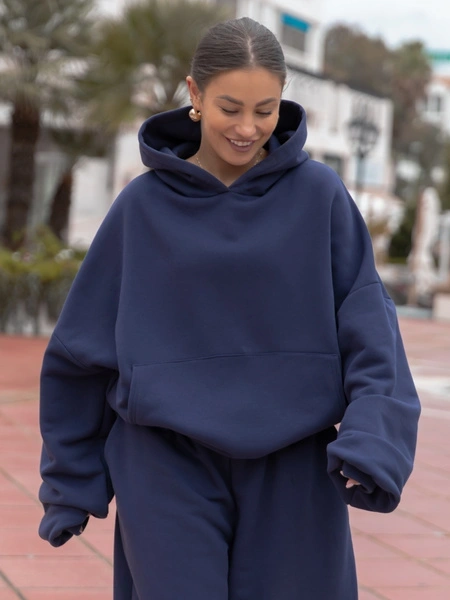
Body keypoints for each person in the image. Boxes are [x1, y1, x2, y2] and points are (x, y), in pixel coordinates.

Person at [38, 17, 421, 600]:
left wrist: (374, 439)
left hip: (294, 465)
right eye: (230, 108)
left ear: (282, 98)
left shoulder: (321, 197)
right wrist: (70, 481)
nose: (247, 128)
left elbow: (371, 330)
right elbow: (79, 352)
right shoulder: (141, 207)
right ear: (194, 94)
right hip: (163, 463)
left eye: (265, 110)